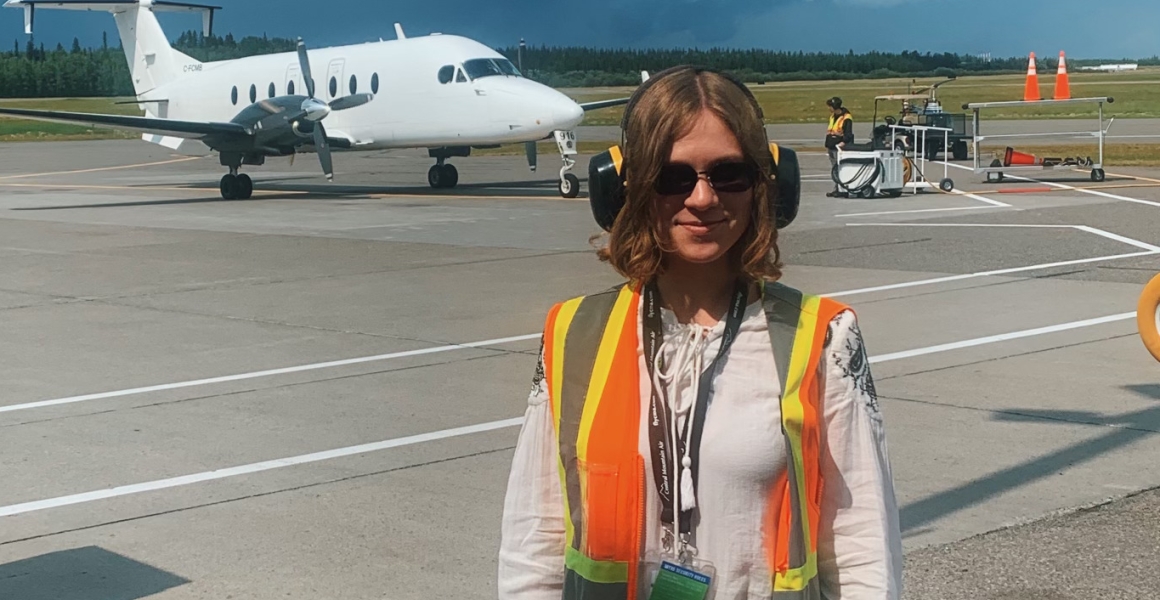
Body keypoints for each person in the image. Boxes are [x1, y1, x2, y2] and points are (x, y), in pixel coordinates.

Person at [498, 66, 902, 600]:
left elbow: (861, 545)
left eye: (729, 173)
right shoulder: (574, 336)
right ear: (627, 187)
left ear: (767, 183)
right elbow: (536, 540)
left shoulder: (823, 338)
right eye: (673, 177)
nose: (703, 198)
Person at [824, 96, 854, 198]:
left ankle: (842, 188)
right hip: (831, 146)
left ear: (835, 106)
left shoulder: (846, 118)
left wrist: (843, 142)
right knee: (834, 169)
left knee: (840, 168)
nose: (829, 108)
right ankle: (837, 188)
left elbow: (848, 134)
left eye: (830, 106)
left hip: (839, 147)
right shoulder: (833, 116)